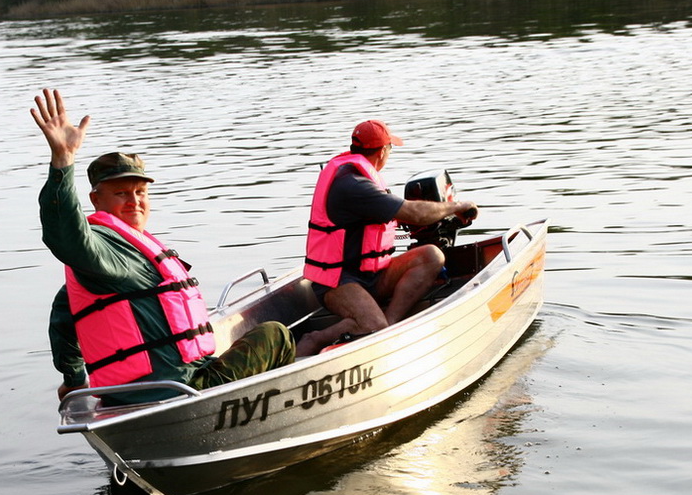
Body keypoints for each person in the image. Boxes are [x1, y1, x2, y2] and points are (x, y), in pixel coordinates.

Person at [31, 88, 295, 404]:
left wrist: (73, 380)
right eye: (121, 193)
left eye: (140, 192)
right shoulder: (100, 249)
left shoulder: (107, 261)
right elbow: (65, 234)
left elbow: (63, 320)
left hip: (126, 398)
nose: (134, 201)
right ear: (95, 200)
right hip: (185, 391)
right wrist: (63, 162)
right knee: (276, 334)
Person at [296, 119, 479, 356]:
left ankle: (389, 327)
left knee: (432, 256)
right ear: (383, 151)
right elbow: (413, 212)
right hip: (338, 281)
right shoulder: (353, 185)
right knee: (372, 325)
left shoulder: (359, 177)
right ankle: (315, 339)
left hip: (371, 274)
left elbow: (392, 220)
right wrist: (456, 207)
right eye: (390, 149)